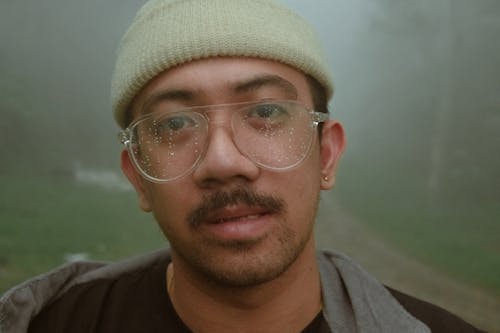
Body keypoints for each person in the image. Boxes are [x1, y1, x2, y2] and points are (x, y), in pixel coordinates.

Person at [0, 1, 485, 332]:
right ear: (137, 177)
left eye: (267, 113)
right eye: (174, 125)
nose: (223, 161)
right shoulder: (48, 322)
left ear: (328, 154)